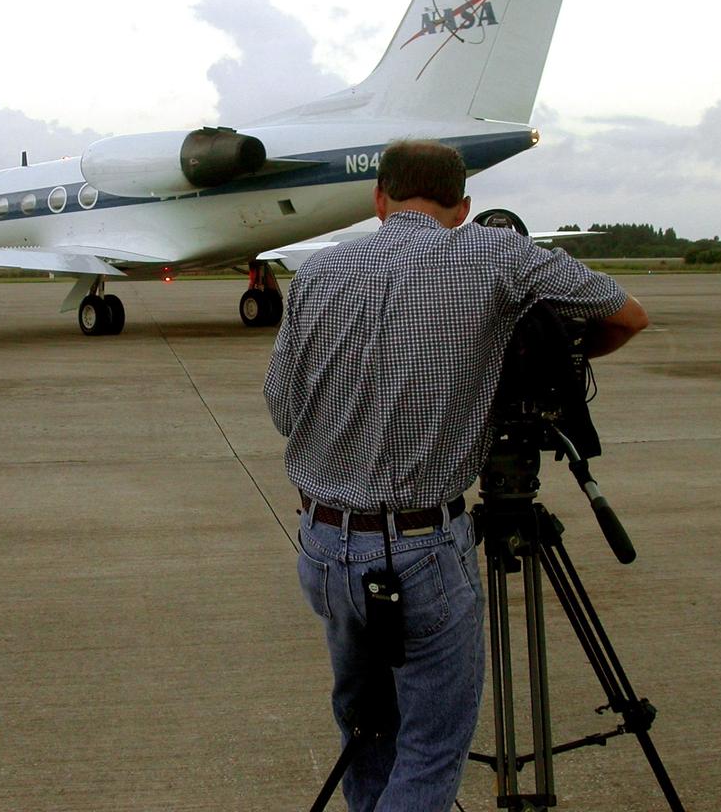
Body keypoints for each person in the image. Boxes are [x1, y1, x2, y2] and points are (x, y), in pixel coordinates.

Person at [264, 139, 648, 811]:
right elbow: (625, 314)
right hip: (421, 550)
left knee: (367, 732)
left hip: (324, 546)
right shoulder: (494, 253)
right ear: (464, 207)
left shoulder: (319, 272)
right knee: (431, 751)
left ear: (379, 199)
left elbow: (282, 409)